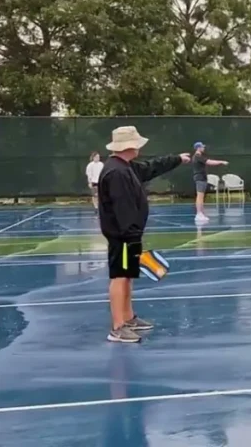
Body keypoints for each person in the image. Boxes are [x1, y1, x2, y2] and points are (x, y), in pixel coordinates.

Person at [98, 126, 190, 343]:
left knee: (127, 275)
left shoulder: (126, 167)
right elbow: (123, 209)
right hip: (122, 237)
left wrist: (176, 159)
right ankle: (118, 327)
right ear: (130, 146)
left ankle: (128, 318)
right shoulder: (117, 172)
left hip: (129, 236)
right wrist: (131, 237)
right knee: (120, 276)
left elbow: (151, 168)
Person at [191, 142, 229, 222]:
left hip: (201, 178)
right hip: (200, 178)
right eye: (202, 147)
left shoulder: (197, 157)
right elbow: (209, 162)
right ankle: (199, 214)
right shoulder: (198, 156)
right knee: (200, 196)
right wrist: (221, 162)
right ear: (198, 148)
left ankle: (201, 213)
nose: (203, 148)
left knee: (201, 196)